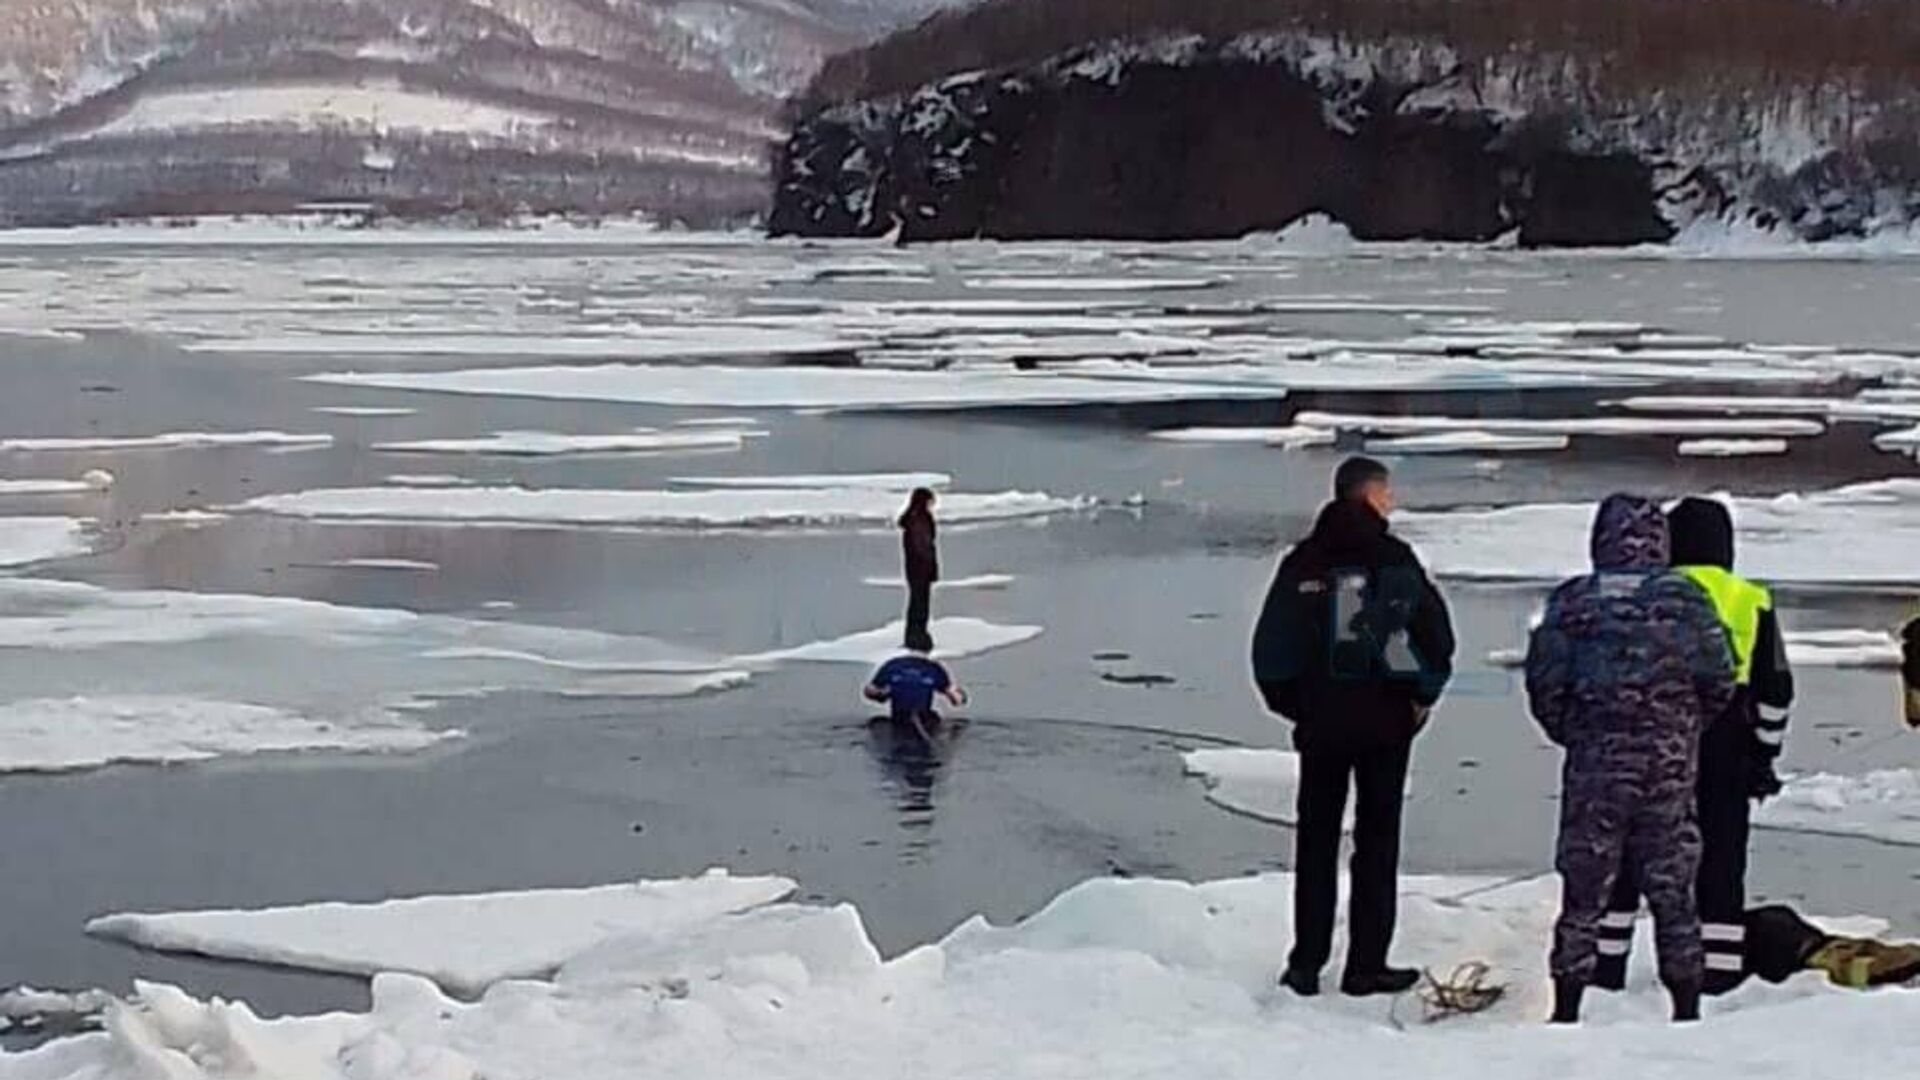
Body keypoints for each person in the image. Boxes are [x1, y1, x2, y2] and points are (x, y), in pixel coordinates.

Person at [1525, 494, 1736, 1024]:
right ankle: (1686, 1004)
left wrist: (1576, 733)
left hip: (1595, 768)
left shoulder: (1573, 602)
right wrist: (1681, 730)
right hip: (1667, 770)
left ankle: (1567, 1004)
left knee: (1583, 890)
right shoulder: (1687, 601)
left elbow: (1545, 685)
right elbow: (1720, 679)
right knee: (1674, 889)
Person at [1252, 456, 1456, 998]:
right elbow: (1435, 637)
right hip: (1385, 723)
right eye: (1386, 493)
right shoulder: (1393, 560)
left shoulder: (1303, 562)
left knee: (1316, 840)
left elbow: (1271, 651)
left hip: (1321, 723)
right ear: (1370, 496)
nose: (1391, 502)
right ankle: (1366, 965)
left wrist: (1297, 706)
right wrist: (1419, 697)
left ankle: (1306, 964)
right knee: (1377, 841)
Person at [1595, 497, 1794, 995]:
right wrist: (1764, 754)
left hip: (1648, 742)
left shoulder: (1646, 595)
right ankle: (1719, 973)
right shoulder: (1750, 599)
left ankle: (1604, 972)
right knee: (1721, 861)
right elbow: (1776, 689)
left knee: (1624, 858)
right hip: (1726, 748)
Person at [865, 648, 967, 728]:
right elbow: (958, 700)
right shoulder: (933, 668)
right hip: (923, 720)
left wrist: (882, 694)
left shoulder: (892, 666)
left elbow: (869, 691)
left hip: (898, 720)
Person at [899, 488, 939, 652]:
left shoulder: (912, 519)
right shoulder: (920, 520)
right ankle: (917, 636)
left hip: (913, 567)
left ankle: (914, 634)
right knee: (920, 602)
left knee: (917, 602)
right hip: (920, 567)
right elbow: (924, 546)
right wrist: (930, 566)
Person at [1903, 616, 1920, 730]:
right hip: (1914, 672)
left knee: (1913, 695)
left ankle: (1914, 718)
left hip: (1913, 674)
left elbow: (1904, 634)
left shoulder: (1916, 623)